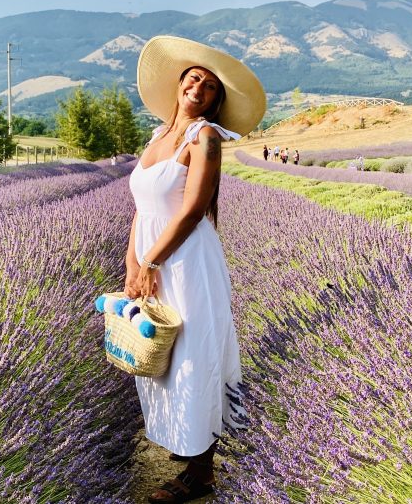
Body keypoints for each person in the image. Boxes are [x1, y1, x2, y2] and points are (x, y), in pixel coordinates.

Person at [125, 35, 265, 503]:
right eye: (193, 78)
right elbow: (142, 209)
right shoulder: (157, 137)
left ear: (216, 101)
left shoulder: (203, 137)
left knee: (193, 355)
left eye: (209, 87)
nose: (199, 88)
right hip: (153, 256)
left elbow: (192, 210)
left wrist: (151, 260)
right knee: (161, 356)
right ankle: (186, 455)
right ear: (179, 84)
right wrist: (133, 263)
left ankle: (200, 471)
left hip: (184, 260)